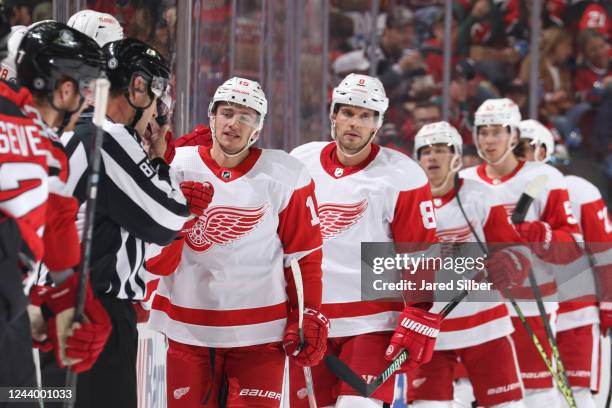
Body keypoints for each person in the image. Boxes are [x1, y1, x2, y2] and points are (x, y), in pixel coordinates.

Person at [146, 77, 326, 407]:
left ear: (257, 129)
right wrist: (177, 222)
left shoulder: (285, 174)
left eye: (246, 116)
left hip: (260, 336)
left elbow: (303, 257)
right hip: (189, 332)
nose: (234, 123)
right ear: (211, 117)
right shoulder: (175, 167)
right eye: (227, 112)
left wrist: (307, 314)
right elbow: (153, 259)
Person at [50, 37, 204, 407]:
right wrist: (164, 170)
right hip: (90, 310)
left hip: (52, 305)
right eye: (155, 94)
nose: (156, 110)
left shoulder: (68, 129)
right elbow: (165, 221)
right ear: (137, 88)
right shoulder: (107, 136)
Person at [289, 73, 440, 407]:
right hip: (311, 322)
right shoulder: (301, 161)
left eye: (365, 115)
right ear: (333, 115)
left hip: (374, 324)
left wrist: (419, 311)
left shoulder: (402, 174)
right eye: (348, 113)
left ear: (378, 123)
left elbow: (421, 252)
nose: (354, 123)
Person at [0, 20, 112, 397]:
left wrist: (40, 306)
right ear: (66, 90)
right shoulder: (46, 150)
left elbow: (54, 227)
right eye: (84, 89)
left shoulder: (40, 142)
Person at [461, 98, 582, 408]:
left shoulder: (543, 178)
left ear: (514, 136)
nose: (488, 140)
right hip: (481, 312)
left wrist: (545, 237)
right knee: (478, 397)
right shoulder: (466, 182)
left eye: (496, 132)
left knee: (538, 396)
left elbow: (574, 246)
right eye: (482, 132)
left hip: (532, 307)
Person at [408, 121, 528, 407]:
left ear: (457, 156)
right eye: (425, 151)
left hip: (485, 326)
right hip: (430, 332)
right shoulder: (406, 203)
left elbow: (515, 249)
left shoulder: (480, 196)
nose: (432, 157)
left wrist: (509, 263)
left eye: (440, 150)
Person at [519, 120, 608, 408]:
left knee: (577, 396)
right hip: (527, 313)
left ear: (545, 150)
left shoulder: (577, 189)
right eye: (515, 148)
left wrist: (608, 302)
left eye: (527, 147)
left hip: (575, 313)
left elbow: (605, 250)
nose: (521, 155)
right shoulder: (498, 191)